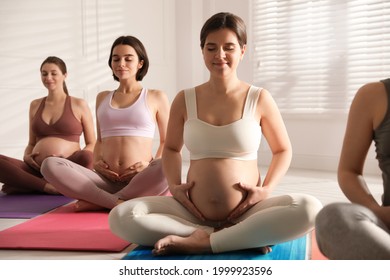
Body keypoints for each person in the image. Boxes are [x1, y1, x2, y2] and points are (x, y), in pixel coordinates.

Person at [109, 12, 322, 255]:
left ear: (242, 51)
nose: (219, 55)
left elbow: (283, 150)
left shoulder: (259, 98)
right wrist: (175, 185)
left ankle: (206, 241)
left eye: (228, 47)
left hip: (248, 211)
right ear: (202, 51)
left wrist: (266, 190)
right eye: (211, 48)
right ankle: (230, 236)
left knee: (310, 208)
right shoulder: (185, 99)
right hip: (191, 211)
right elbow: (171, 148)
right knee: (121, 216)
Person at [41, 36, 170, 212]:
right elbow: (100, 140)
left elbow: (167, 141)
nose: (121, 63)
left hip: (140, 178)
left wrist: (148, 166)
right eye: (115, 59)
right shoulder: (103, 97)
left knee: (167, 165)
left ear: (140, 63)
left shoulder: (156, 96)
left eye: (128, 59)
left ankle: (100, 201)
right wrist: (96, 163)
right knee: (49, 165)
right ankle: (118, 203)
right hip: (104, 180)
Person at [315, 79, 390, 259]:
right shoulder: (373, 95)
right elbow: (349, 171)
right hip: (386, 227)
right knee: (332, 218)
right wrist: (377, 211)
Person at [0, 56, 95, 195]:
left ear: (65, 75)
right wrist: (27, 156)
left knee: (87, 157)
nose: (48, 77)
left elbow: (92, 143)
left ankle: (27, 185)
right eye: (44, 74)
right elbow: (31, 143)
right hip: (37, 168)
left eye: (53, 73)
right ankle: (48, 187)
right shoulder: (35, 105)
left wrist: (67, 159)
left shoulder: (79, 104)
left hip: (66, 166)